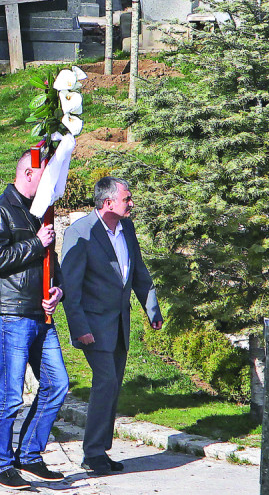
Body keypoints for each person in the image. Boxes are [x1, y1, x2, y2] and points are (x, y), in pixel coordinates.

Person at [61, 177, 162, 477]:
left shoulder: (127, 228)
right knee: (105, 382)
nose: (132, 203)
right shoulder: (81, 233)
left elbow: (138, 271)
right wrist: (79, 327)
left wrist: (151, 309)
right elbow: (71, 286)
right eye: (127, 199)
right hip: (92, 325)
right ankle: (92, 453)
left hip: (119, 324)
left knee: (113, 386)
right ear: (107, 203)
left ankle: (99, 452)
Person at [0, 152, 68, 490]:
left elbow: (50, 260)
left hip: (40, 313)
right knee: (10, 392)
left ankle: (29, 454)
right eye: (44, 177)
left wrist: (57, 288)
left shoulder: (39, 211)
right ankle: (1, 463)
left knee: (57, 384)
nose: (50, 185)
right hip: (10, 314)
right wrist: (36, 242)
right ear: (29, 174)